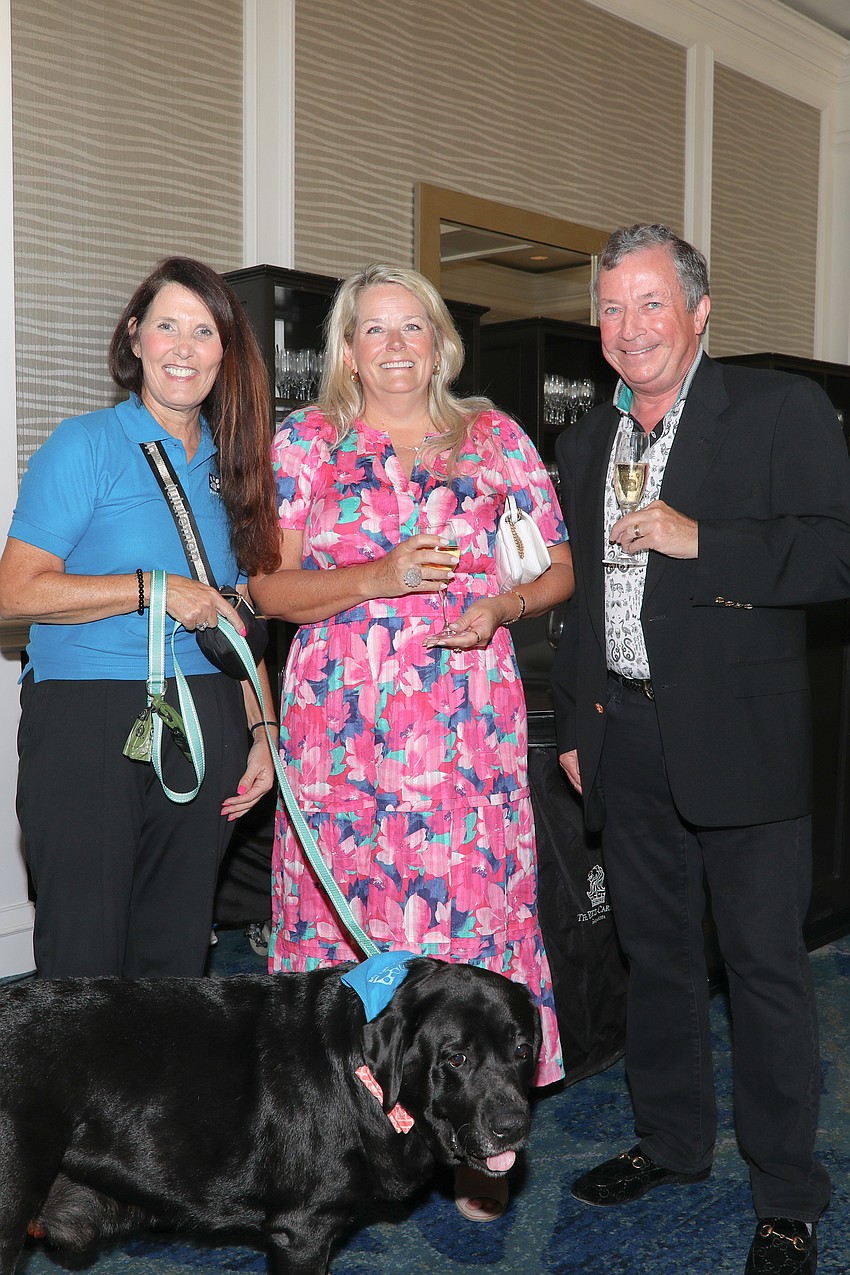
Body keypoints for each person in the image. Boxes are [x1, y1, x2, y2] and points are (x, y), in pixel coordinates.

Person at [552, 223, 850, 1275]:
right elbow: (580, 602)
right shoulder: (587, 443)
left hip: (744, 740)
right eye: (611, 308)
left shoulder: (777, 411)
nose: (628, 328)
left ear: (698, 312)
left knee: (764, 970)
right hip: (624, 737)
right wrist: (583, 720)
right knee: (655, 961)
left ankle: (787, 1196)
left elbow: (835, 550)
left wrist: (698, 540)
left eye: (649, 305)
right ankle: (672, 1145)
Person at [250, 262, 574, 1221]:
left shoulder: (496, 437)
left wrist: (504, 603)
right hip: (344, 738)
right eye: (373, 330)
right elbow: (270, 590)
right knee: (347, 933)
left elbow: (556, 566)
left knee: (470, 932)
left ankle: (481, 1150)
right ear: (346, 348)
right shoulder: (304, 444)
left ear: (441, 340)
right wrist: (378, 576)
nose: (394, 346)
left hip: (466, 732)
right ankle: (332, 1138)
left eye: (412, 328)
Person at [0, 256, 281, 979]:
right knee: (86, 959)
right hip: (91, 715)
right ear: (134, 339)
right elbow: (14, 591)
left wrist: (262, 730)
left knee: (178, 954)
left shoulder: (236, 467)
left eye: (204, 331)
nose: (184, 349)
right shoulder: (85, 445)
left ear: (227, 351)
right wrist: (153, 587)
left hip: (209, 715)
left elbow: (237, 616)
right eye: (166, 327)